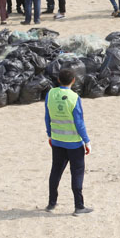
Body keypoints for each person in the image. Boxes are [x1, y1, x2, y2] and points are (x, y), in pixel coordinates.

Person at [44, 68, 93, 214]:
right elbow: (79, 122)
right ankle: (79, 206)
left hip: (57, 141)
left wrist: (50, 135)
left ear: (58, 80)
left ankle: (51, 203)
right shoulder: (74, 97)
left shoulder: (50, 94)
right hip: (74, 143)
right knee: (77, 173)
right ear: (73, 80)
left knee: (55, 172)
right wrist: (87, 141)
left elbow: (47, 117)